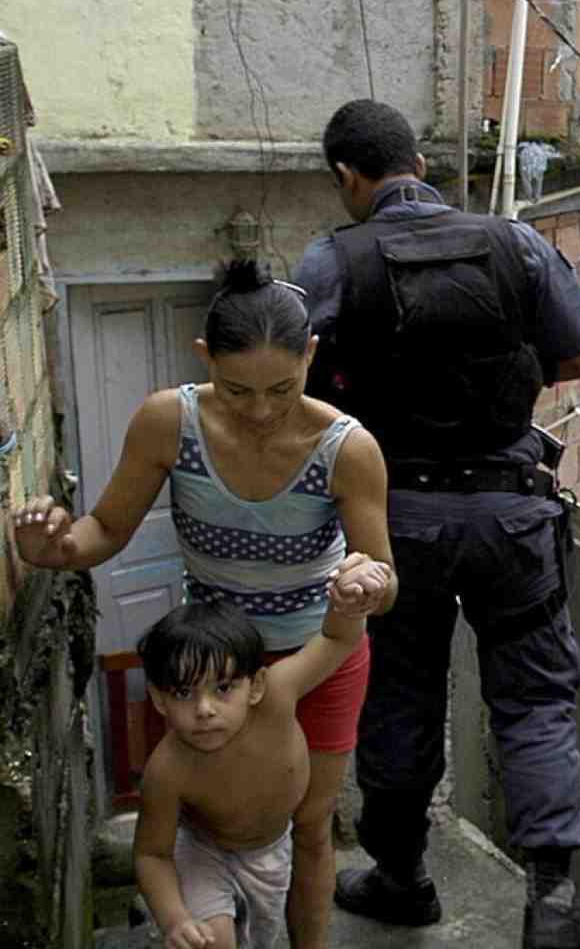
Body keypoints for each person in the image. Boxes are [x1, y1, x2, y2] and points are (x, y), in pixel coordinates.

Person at [295, 99, 580, 949]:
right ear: (419, 162)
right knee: (536, 698)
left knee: (398, 692)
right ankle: (550, 905)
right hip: (512, 510)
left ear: (348, 176)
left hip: (395, 519)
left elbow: (292, 378)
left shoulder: (333, 259)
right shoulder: (511, 242)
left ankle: (403, 879)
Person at [11, 258, 397, 949]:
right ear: (203, 359)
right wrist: (56, 550)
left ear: (311, 355)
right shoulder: (169, 422)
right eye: (235, 387)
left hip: (320, 653)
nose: (258, 409)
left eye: (281, 387)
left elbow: (385, 575)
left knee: (311, 825)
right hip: (210, 665)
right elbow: (104, 528)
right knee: (205, 819)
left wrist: (365, 584)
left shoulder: (349, 448)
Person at [130, 590, 378, 949]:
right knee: (212, 942)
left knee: (258, 940)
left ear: (255, 686)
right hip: (205, 852)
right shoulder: (167, 769)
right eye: (184, 693)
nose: (205, 709)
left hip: (270, 852)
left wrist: (349, 603)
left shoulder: (278, 694)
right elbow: (152, 854)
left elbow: (338, 638)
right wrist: (175, 919)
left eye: (223, 688)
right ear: (159, 700)